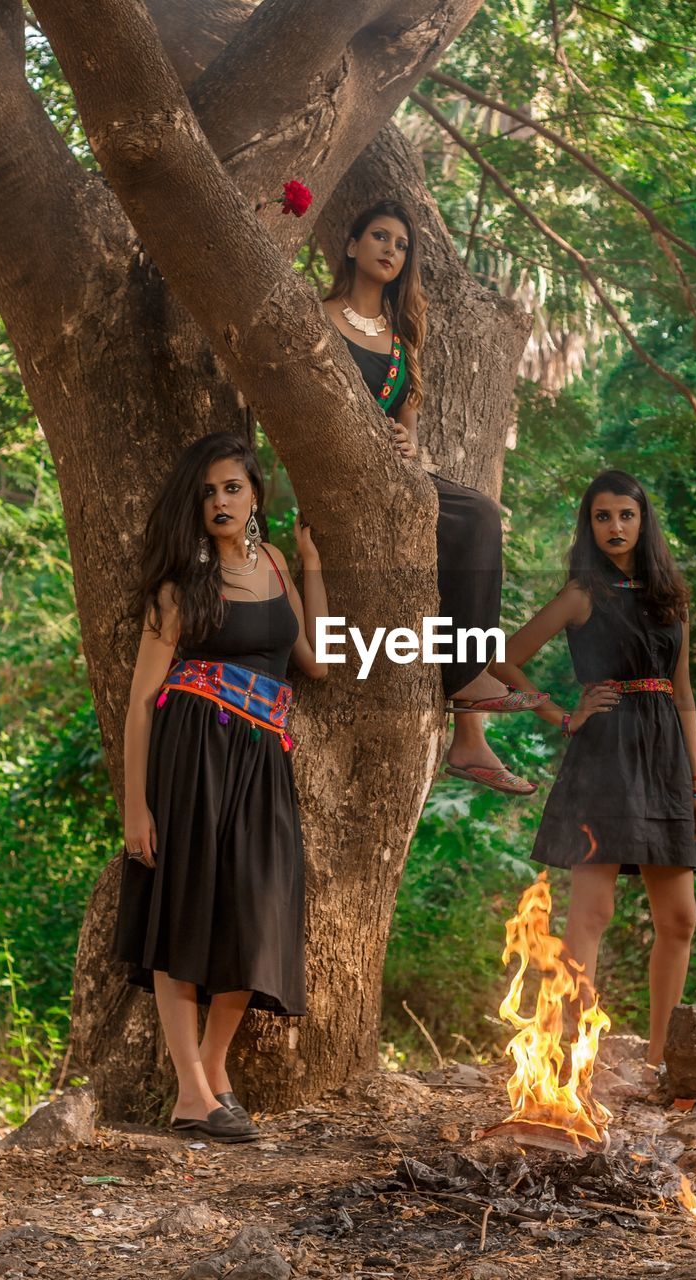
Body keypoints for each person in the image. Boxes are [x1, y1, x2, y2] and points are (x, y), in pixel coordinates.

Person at [114, 432, 329, 1141]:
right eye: (207, 492)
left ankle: (210, 1075)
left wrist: (311, 565)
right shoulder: (177, 591)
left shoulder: (273, 563)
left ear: (255, 496)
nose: (219, 501)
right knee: (183, 913)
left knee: (253, 911)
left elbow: (318, 663)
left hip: (263, 762)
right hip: (191, 759)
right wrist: (136, 807)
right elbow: (143, 700)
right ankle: (191, 1090)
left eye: (232, 488)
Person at [323, 200, 545, 796]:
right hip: (336, 476)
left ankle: (469, 736)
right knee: (473, 512)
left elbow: (412, 438)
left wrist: (407, 443)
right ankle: (470, 680)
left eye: (400, 244)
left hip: (394, 477)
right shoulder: (316, 319)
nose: (390, 250)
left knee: (475, 520)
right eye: (378, 236)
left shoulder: (400, 342)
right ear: (351, 245)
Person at [494, 470, 696, 1067]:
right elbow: (504, 660)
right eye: (602, 517)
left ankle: (661, 1059)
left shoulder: (673, 596)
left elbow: (683, 692)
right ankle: (571, 1058)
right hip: (605, 756)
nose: (614, 527)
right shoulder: (581, 593)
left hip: (664, 757)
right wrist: (564, 715)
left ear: (643, 523)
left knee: (680, 918)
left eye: (625, 515)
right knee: (592, 913)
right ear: (589, 526)